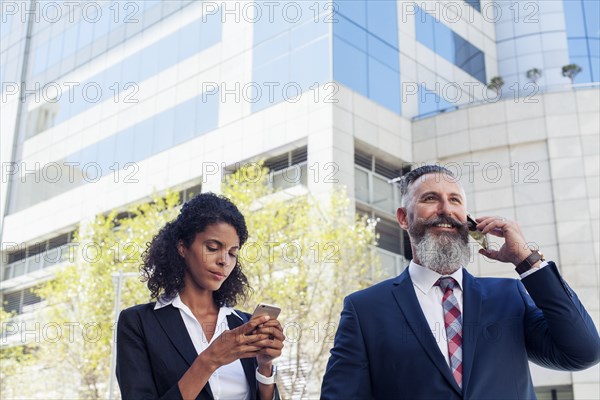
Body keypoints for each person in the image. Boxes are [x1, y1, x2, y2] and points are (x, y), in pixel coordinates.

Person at [321, 165, 600, 399]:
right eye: (431, 198)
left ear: (467, 219)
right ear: (404, 218)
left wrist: (526, 261)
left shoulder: (509, 296)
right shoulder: (364, 310)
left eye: (455, 200)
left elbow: (584, 352)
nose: (446, 209)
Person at [116, 192, 284, 400]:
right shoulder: (138, 323)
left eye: (232, 253)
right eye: (213, 248)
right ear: (182, 247)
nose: (224, 261)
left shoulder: (245, 324)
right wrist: (209, 361)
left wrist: (264, 367)